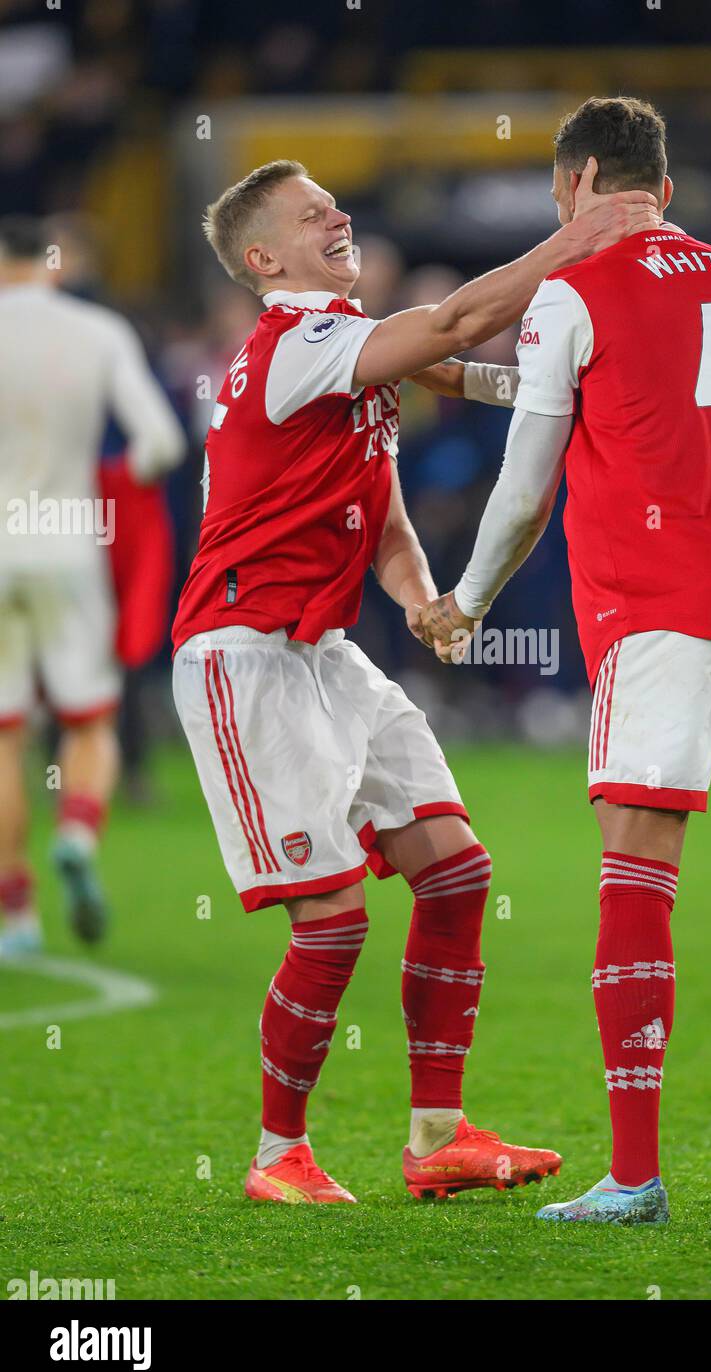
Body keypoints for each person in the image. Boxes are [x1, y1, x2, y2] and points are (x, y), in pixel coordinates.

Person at [171, 158, 659, 1204]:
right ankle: (275, 1156)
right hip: (241, 654)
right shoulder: (297, 343)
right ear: (265, 260)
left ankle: (437, 1132)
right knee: (335, 918)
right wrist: (576, 242)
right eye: (312, 216)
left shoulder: (344, 357)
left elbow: (385, 522)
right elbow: (452, 326)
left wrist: (426, 597)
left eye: (334, 206)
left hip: (323, 652)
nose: (337, 217)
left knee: (455, 869)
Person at [419, 97, 711, 1225]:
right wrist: (499, 384)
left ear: (582, 179)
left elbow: (527, 480)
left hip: (665, 611)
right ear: (667, 189)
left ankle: (637, 1173)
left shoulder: (573, 287)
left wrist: (463, 600)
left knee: (637, 863)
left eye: (560, 195)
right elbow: (660, 397)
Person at [0, 216, 185, 956]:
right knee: (89, 719)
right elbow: (162, 443)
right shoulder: (99, 330)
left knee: (6, 737)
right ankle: (76, 827)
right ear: (52, 263)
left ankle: (16, 914)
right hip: (70, 539)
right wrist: (121, 486)